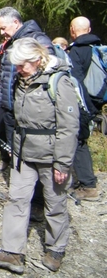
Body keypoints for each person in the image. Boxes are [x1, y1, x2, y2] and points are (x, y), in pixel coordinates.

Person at [0, 38, 79, 274]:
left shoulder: (59, 82)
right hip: (23, 152)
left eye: (21, 65)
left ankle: (56, 249)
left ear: (37, 61)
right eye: (15, 65)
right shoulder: (20, 79)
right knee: (17, 199)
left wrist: (63, 163)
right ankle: (12, 251)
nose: (17, 70)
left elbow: (69, 127)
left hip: (52, 154)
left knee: (55, 203)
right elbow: (9, 104)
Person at [0, 7, 55, 174]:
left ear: (16, 22)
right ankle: (19, 190)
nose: (2, 32)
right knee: (15, 151)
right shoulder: (9, 44)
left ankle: (38, 197)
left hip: (31, 110)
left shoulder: (38, 40)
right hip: (11, 108)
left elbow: (51, 73)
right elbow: (4, 77)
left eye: (4, 28)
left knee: (31, 156)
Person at [67, 16, 101, 200]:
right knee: (82, 141)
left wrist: (83, 108)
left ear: (72, 30)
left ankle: (88, 187)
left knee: (79, 141)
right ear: (89, 30)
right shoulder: (97, 48)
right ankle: (87, 182)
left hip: (83, 104)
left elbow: (75, 83)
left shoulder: (76, 51)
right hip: (96, 102)